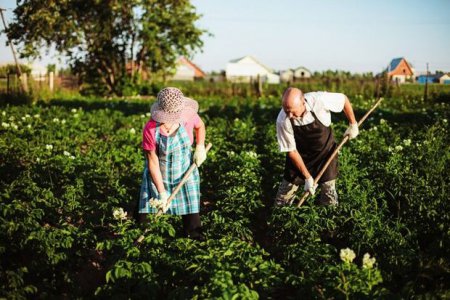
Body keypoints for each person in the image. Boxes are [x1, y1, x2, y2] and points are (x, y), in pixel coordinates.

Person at [138, 87, 207, 240]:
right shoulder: (150, 129)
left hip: (184, 171)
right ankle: (147, 240)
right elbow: (153, 162)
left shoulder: (188, 117)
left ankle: (194, 238)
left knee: (191, 214)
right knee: (146, 216)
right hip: (158, 174)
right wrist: (162, 193)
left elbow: (200, 126)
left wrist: (200, 147)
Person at [274, 87, 359, 206]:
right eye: (286, 110)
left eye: (293, 111)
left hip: (325, 154)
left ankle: (328, 217)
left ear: (303, 102)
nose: (290, 115)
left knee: (329, 195)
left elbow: (343, 99)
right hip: (300, 156)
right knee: (283, 198)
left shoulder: (319, 100)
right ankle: (281, 218)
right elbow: (291, 151)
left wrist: (353, 123)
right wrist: (307, 177)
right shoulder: (283, 119)